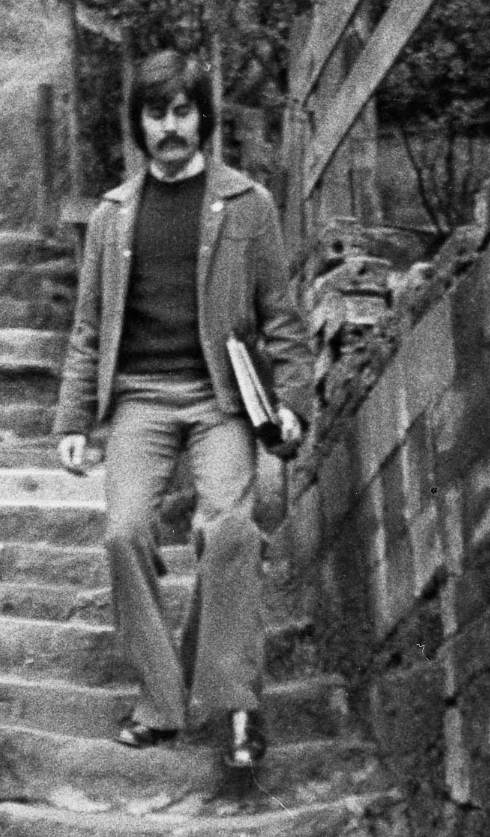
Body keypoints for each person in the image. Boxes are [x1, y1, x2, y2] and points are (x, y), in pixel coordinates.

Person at [54, 47, 314, 776]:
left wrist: (291, 404)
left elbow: (283, 320)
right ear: (137, 124)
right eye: (154, 113)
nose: (169, 127)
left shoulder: (246, 207)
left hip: (219, 399)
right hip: (137, 396)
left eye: (181, 111)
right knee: (124, 532)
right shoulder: (112, 217)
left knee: (228, 527)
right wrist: (74, 421)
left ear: (202, 118)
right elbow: (86, 328)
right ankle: (160, 701)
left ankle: (235, 706)